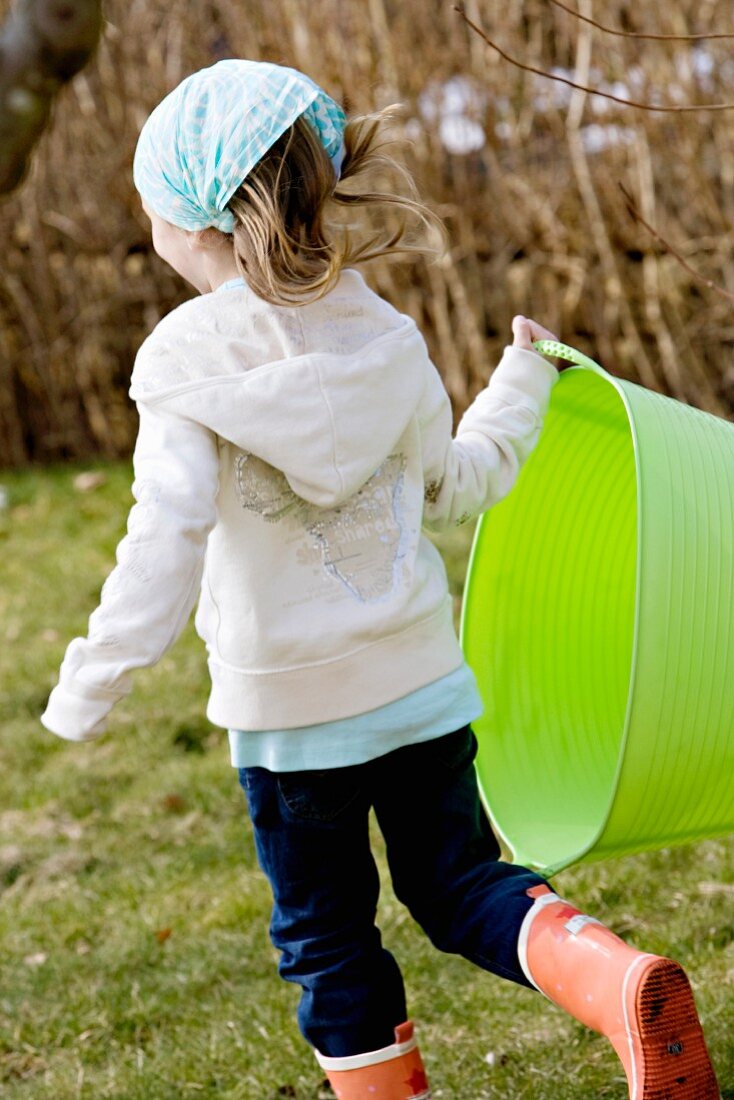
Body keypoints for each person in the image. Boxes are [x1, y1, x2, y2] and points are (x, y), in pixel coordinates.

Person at [41, 59, 719, 1100]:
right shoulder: (382, 334)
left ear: (192, 224)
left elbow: (162, 543)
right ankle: (615, 974)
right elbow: (459, 481)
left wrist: (91, 679)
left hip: (291, 722)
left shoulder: (182, 364)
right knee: (460, 886)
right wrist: (523, 376)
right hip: (418, 688)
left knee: (326, 940)